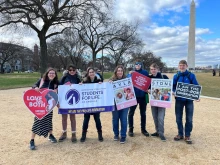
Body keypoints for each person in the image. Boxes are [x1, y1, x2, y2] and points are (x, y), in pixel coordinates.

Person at [30, 68, 59, 150]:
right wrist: (35, 88)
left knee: (49, 120)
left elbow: (63, 88)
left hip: (49, 105)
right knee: (37, 121)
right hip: (40, 105)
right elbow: (34, 85)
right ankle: (32, 140)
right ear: (47, 73)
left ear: (55, 75)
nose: (52, 74)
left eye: (53, 73)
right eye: (50, 73)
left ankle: (51, 135)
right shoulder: (42, 80)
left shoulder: (56, 83)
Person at [173, 60, 200, 144]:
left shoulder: (191, 75)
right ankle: (180, 134)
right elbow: (173, 86)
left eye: (183, 65)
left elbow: (196, 86)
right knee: (178, 118)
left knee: (189, 119)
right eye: (180, 65)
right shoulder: (176, 75)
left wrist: (197, 96)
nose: (182, 67)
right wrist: (174, 92)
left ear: (186, 66)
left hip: (189, 101)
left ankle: (187, 135)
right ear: (178, 66)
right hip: (179, 100)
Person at [58, 65, 81, 143]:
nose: (72, 71)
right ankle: (64, 133)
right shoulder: (64, 78)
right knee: (64, 118)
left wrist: (81, 85)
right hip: (64, 101)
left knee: (72, 117)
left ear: (76, 70)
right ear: (68, 70)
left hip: (73, 101)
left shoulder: (78, 78)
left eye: (73, 70)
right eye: (70, 70)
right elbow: (59, 87)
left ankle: (73, 134)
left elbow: (81, 88)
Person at [127, 59, 149, 137]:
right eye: (136, 65)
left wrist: (148, 89)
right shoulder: (132, 73)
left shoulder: (145, 72)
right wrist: (130, 74)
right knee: (131, 113)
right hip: (134, 96)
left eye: (139, 65)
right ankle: (130, 129)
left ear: (141, 65)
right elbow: (127, 81)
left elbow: (148, 82)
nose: (138, 66)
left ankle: (143, 129)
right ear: (135, 66)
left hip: (143, 96)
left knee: (143, 114)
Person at [80, 68, 103, 142]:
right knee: (86, 119)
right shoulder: (85, 81)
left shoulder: (98, 80)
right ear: (88, 73)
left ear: (94, 72)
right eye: (90, 72)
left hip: (96, 104)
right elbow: (81, 89)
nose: (91, 73)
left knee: (97, 119)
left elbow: (103, 89)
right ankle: (83, 134)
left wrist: (101, 84)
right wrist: (80, 85)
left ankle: (100, 134)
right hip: (87, 104)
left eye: (92, 72)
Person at [148, 63, 169, 142]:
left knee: (160, 117)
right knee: (155, 117)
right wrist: (148, 90)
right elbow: (146, 88)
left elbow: (169, 87)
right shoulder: (149, 78)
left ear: (157, 69)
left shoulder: (164, 77)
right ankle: (157, 131)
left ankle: (161, 133)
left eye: (154, 69)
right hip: (153, 100)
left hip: (162, 101)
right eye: (151, 69)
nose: (153, 70)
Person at [110, 65, 129, 144]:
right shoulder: (111, 80)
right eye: (118, 71)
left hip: (125, 103)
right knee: (115, 119)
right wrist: (109, 84)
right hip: (115, 103)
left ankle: (123, 135)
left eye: (121, 70)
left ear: (123, 72)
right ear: (116, 72)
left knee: (124, 119)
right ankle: (116, 134)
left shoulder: (127, 80)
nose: (120, 72)